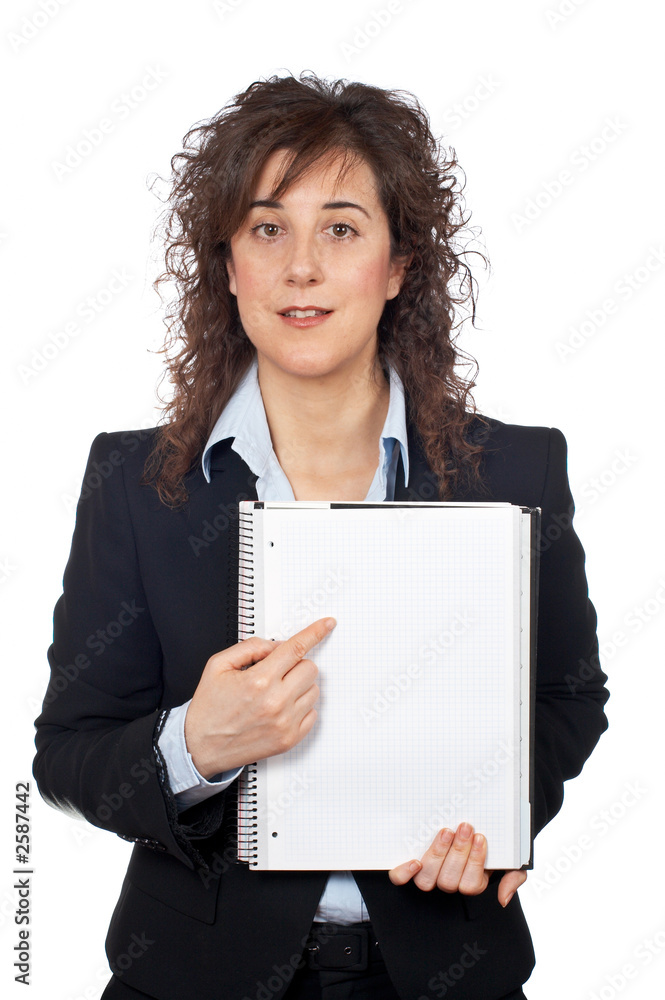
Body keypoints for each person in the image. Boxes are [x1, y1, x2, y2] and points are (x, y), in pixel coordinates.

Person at [33, 71, 609, 1000]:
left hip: (443, 973)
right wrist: (193, 747)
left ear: (398, 266)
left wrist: (498, 815)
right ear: (229, 266)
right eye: (267, 229)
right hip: (192, 979)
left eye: (340, 229)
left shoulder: (515, 471)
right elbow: (67, 753)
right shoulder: (137, 483)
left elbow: (568, 697)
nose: (300, 267)